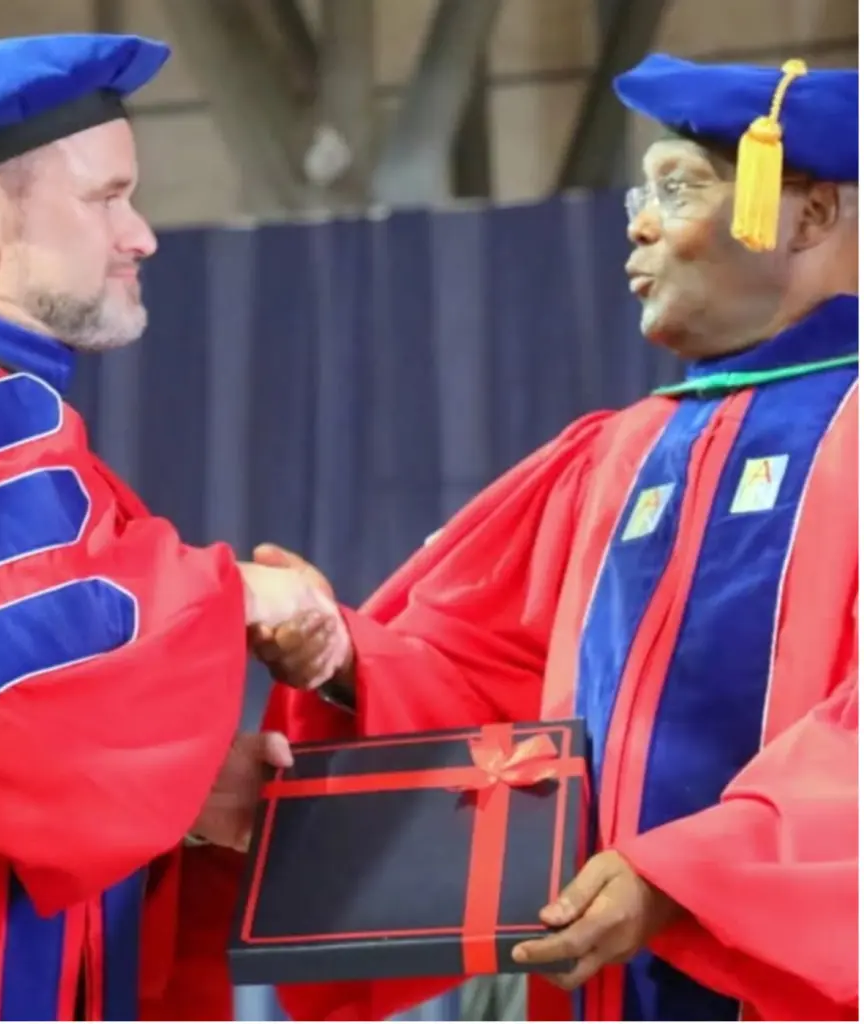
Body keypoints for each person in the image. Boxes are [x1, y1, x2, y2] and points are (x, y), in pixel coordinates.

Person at [250, 54, 859, 1021]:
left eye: (678, 187)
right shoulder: (618, 456)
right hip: (596, 985)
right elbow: (487, 681)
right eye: (639, 191)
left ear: (811, 217)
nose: (641, 222)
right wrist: (343, 659)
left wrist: (690, 877)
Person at [0, 31, 336, 1021]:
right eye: (107, 198)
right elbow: (20, 707)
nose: (142, 234)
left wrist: (180, 786)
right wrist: (240, 592)